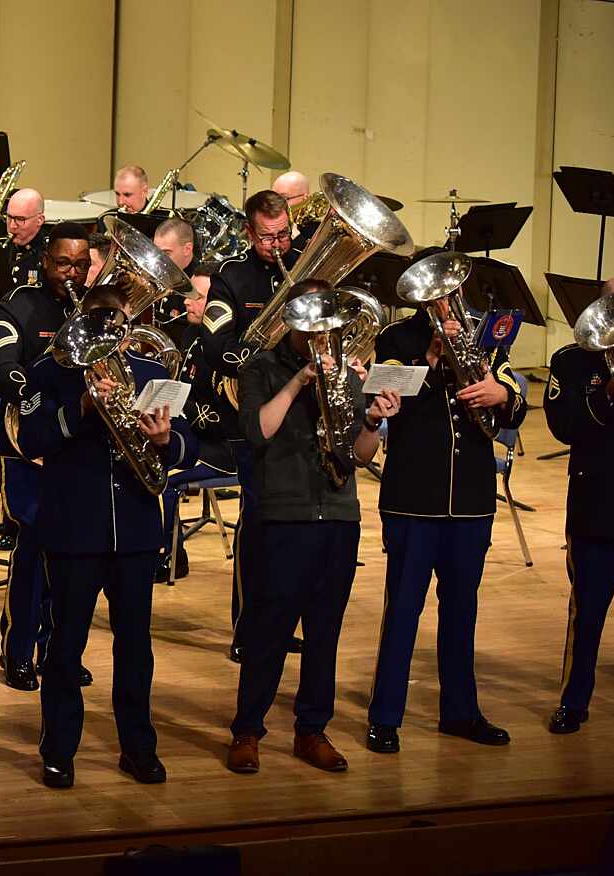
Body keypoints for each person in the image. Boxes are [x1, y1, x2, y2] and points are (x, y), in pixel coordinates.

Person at [19, 283, 196, 788]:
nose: (111, 335)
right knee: (65, 647)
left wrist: (166, 440)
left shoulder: (151, 374)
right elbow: (31, 438)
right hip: (75, 530)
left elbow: (189, 442)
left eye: (117, 325)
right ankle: (58, 751)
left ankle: (138, 747)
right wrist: (82, 408)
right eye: (99, 324)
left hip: (137, 532)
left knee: (136, 648)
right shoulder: (48, 374)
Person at [226, 282, 398, 775]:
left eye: (330, 325)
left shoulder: (350, 371)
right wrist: (301, 380)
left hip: (339, 517)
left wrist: (372, 421)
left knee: (326, 632)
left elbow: (360, 457)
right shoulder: (259, 367)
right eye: (314, 325)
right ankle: (247, 729)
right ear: (294, 322)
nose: (324, 335)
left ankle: (311, 728)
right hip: (282, 516)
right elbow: (258, 431)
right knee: (268, 632)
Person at [364, 298, 527, 754]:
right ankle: (385, 716)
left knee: (462, 611)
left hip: (471, 502)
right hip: (413, 500)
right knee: (402, 611)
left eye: (452, 291)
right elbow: (382, 392)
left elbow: (514, 403)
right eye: (436, 293)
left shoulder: (484, 338)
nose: (447, 301)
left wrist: (503, 395)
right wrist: (431, 357)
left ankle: (460, 711)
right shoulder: (398, 338)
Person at [0, 222, 92, 692]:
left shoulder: (93, 310)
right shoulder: (19, 306)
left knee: (73, 560)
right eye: (63, 262)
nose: (71, 273)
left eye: (81, 265)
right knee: (32, 554)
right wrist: (34, 387)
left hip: (76, 447)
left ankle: (60, 651)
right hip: (27, 446)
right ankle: (19, 650)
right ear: (45, 261)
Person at [200, 190, 300, 663]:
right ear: (247, 232)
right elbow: (216, 346)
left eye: (283, 234)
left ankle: (285, 622)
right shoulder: (231, 278)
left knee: (298, 525)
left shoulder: (308, 269)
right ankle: (247, 626)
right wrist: (267, 364)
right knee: (259, 523)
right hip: (253, 412)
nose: (276, 245)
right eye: (266, 237)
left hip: (305, 413)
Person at [543, 277, 614, 735]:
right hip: (597, 506)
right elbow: (564, 425)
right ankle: (574, 702)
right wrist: (608, 391)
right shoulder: (572, 361)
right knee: (587, 613)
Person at [156, 265, 236, 582]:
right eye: (189, 295)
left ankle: (171, 558)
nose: (187, 303)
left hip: (222, 448)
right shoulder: (189, 334)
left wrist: (179, 408)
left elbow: (221, 415)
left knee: (163, 478)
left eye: (198, 297)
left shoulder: (227, 346)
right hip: (190, 436)